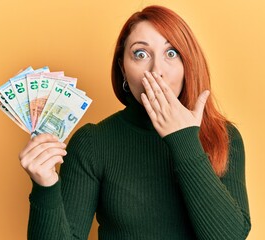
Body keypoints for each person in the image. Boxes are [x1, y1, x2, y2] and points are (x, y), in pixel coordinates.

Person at [19, 5, 251, 240]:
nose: (156, 70)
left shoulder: (223, 136)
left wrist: (184, 140)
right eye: (141, 54)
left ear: (187, 64)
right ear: (123, 68)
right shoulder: (93, 142)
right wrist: (45, 186)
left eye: (171, 53)